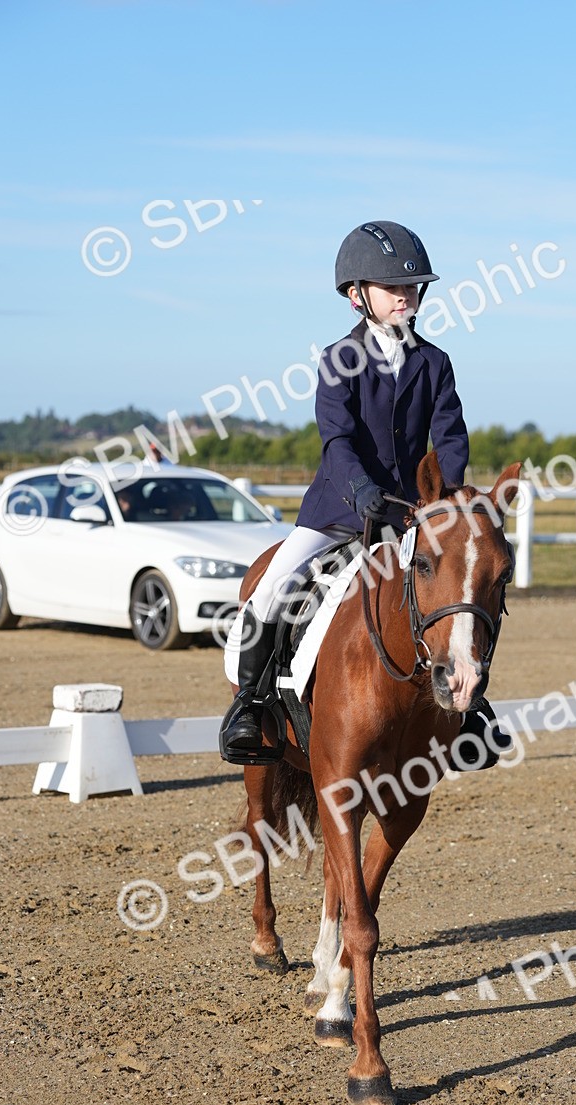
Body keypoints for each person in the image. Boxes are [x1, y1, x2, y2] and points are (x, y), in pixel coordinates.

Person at [220, 220, 510, 768]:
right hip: (336, 512)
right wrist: (360, 489)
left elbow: (450, 436)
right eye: (392, 287)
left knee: (457, 591)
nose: (406, 295)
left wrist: (443, 502)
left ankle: (470, 709)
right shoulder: (338, 359)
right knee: (271, 589)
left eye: (412, 286)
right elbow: (338, 439)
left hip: (410, 518)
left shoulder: (434, 363)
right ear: (357, 295)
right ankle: (250, 705)